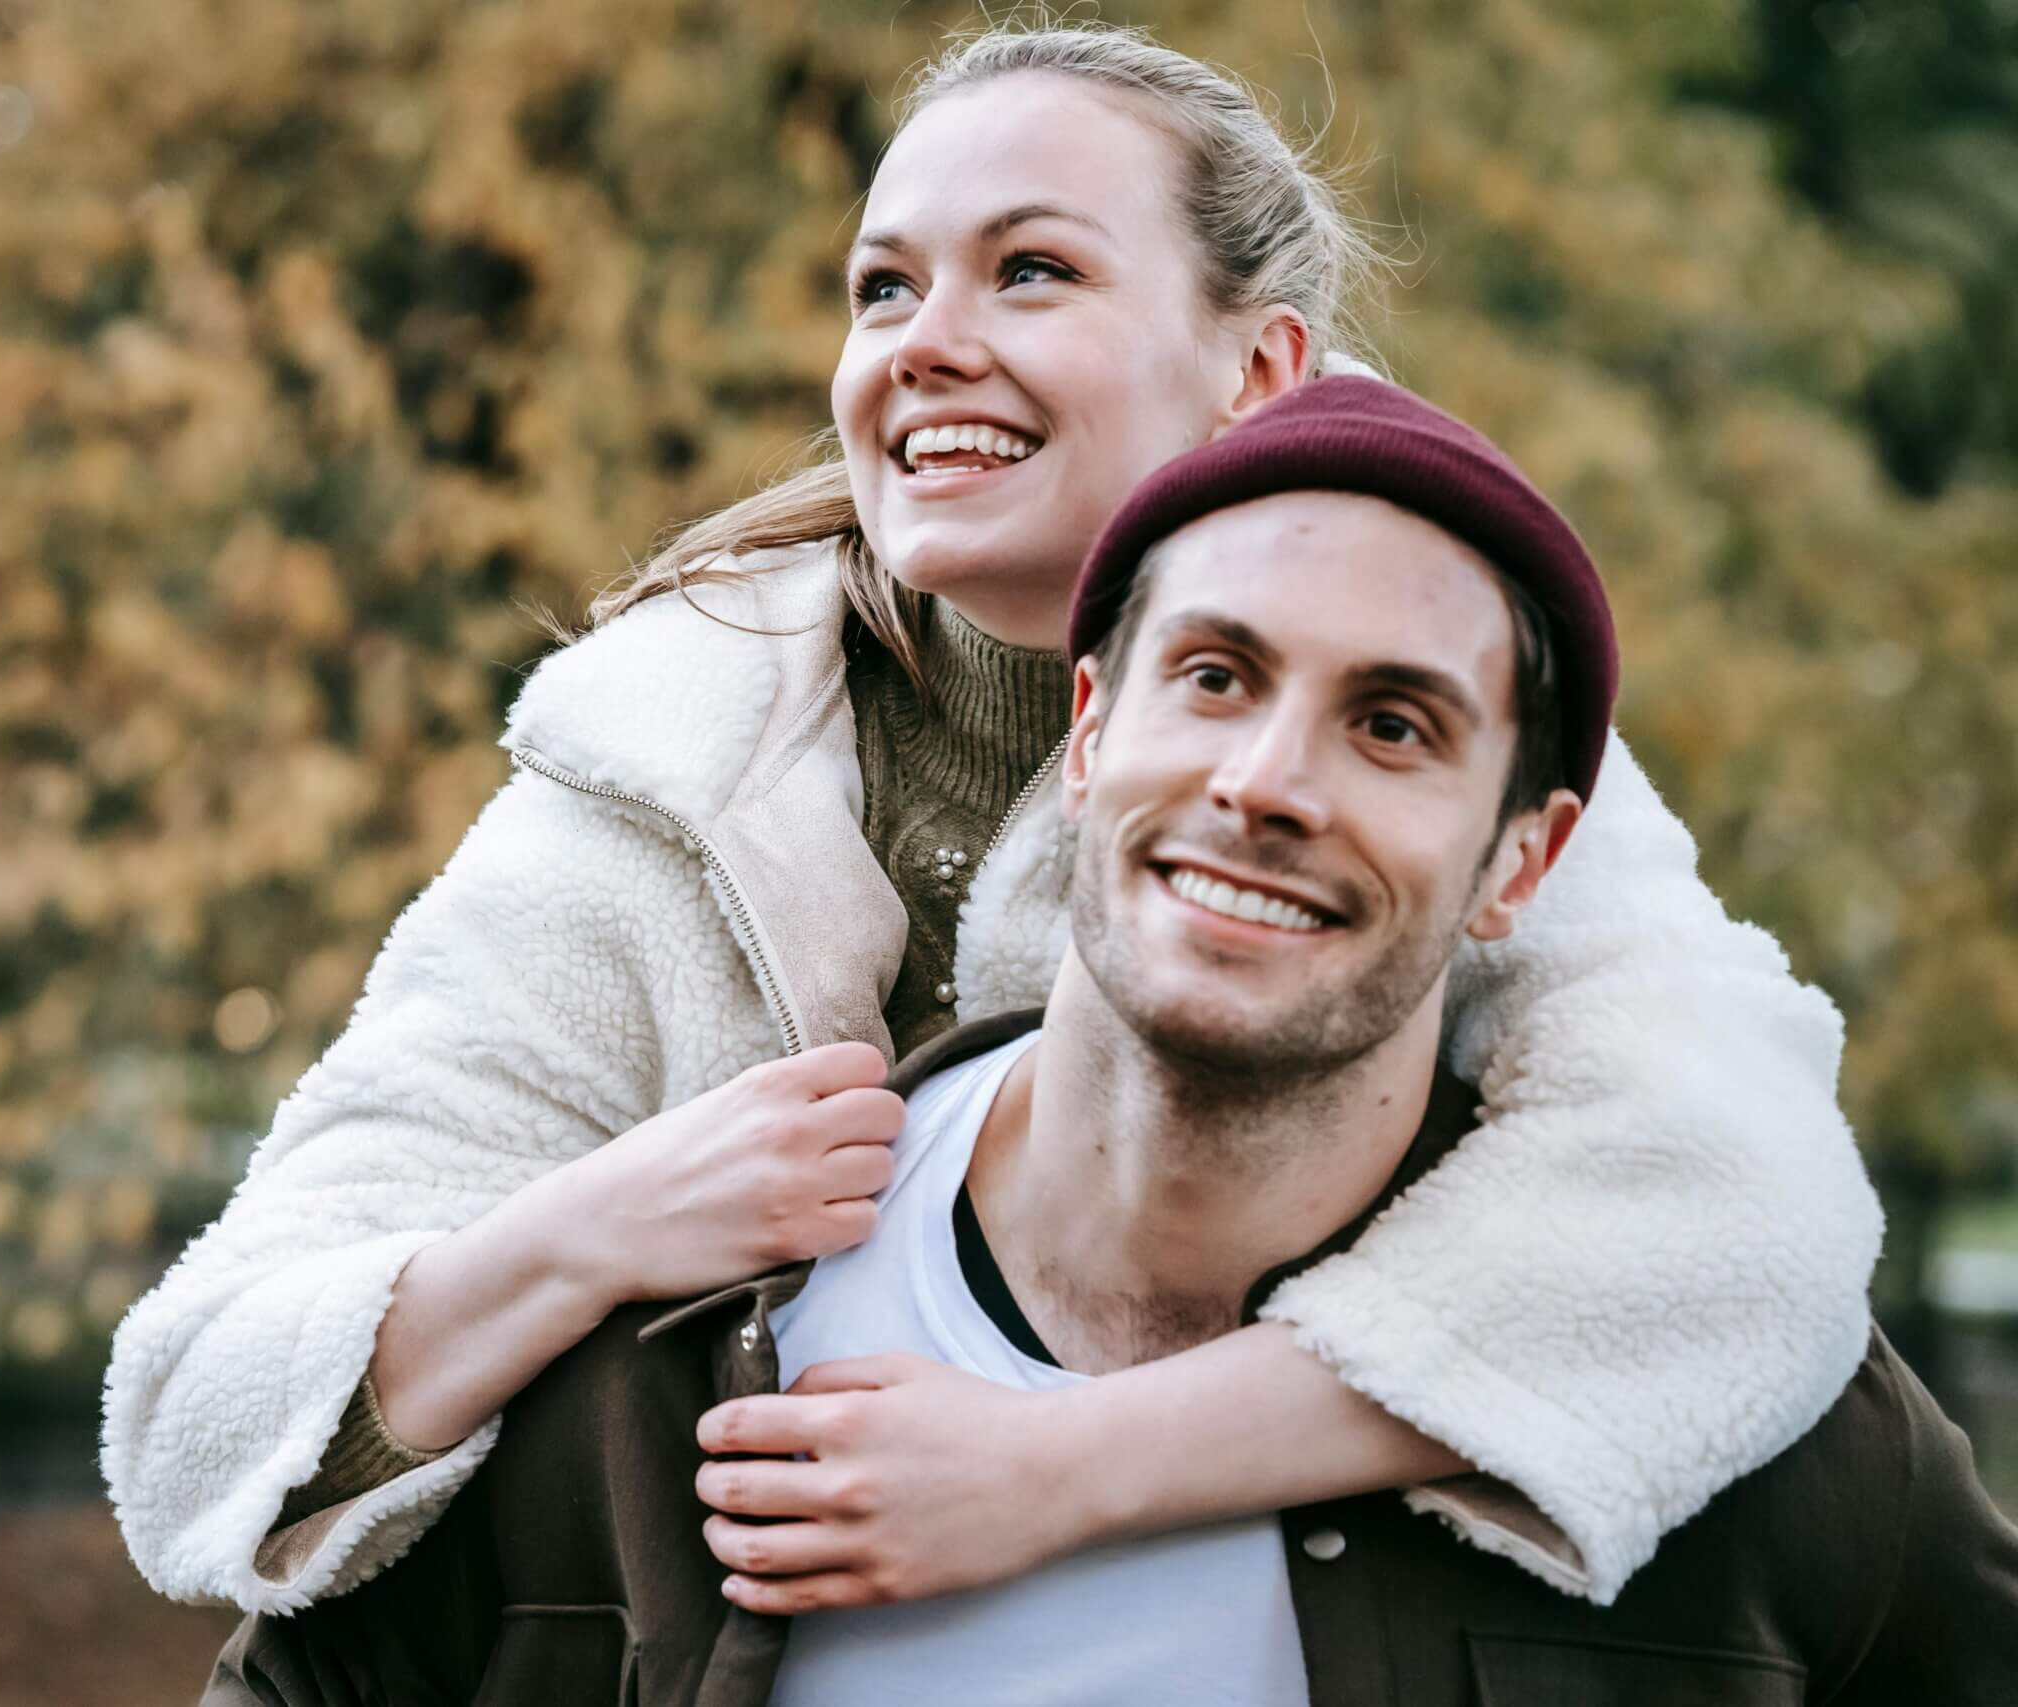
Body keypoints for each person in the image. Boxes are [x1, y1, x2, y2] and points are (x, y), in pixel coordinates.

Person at [101, 21, 1879, 1624]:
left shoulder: (1394, 756)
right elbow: (205, 1422)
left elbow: (1748, 1222)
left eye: (1030, 273)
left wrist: (1070, 1463)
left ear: (1259, 370)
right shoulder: (652, 777)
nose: (928, 346)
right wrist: (588, 1224)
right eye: (884, 289)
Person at [202, 377, 2018, 1707]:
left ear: (1521, 862)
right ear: (1086, 738)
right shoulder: (666, 1365)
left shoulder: (1738, 1426)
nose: (1265, 784)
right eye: (1215, 678)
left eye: (1393, 727)